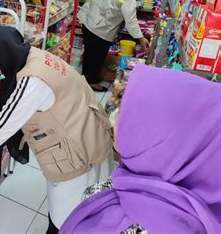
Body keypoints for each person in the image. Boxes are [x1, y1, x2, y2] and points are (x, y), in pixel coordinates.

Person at [0, 26, 114, 234]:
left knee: (67, 216)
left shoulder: (33, 80)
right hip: (81, 134)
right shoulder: (27, 57)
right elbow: (1, 106)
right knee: (74, 208)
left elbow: (5, 122)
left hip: (79, 151)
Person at [60, 65, 221, 234]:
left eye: (124, 112)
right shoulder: (195, 208)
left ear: (162, 139)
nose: (115, 118)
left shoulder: (122, 224)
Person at [78, 0, 152, 92]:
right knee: (97, 56)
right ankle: (92, 81)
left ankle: (84, 77)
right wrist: (140, 38)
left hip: (88, 19)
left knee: (89, 51)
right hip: (102, 28)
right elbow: (131, 21)